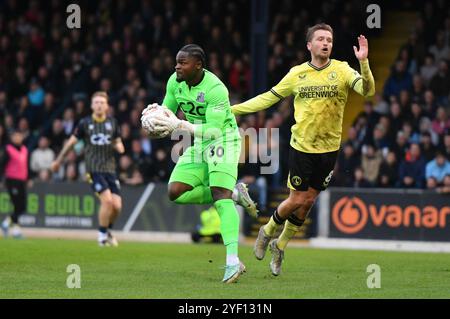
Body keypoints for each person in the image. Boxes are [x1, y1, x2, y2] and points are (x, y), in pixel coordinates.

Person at [232, 23, 375, 276]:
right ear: (309, 45)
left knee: (308, 202)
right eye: (320, 39)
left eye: (329, 39)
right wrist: (233, 110)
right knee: (297, 198)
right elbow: (269, 97)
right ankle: (266, 232)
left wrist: (363, 62)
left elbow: (368, 90)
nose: (326, 43)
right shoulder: (297, 73)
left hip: (329, 149)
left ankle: (280, 246)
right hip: (302, 147)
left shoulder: (342, 69)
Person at [141, 44, 258, 283]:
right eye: (177, 61)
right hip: (199, 143)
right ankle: (236, 194)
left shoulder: (215, 88)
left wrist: (180, 126)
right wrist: (156, 119)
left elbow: (214, 130)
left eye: (182, 63)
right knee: (175, 192)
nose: (177, 66)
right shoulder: (175, 82)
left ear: (198, 65)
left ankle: (233, 261)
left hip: (223, 139)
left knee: (219, 195)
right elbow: (168, 112)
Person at [51, 91, 125, 246]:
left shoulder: (113, 123)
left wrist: (118, 146)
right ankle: (102, 237)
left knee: (117, 206)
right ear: (91, 105)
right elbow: (71, 143)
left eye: (102, 103)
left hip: (110, 170)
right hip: (94, 169)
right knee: (107, 202)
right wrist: (58, 160)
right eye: (96, 102)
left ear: (107, 106)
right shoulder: (84, 123)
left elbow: (120, 145)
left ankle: (108, 230)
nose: (99, 105)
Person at [0, 131, 29, 238]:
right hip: (12, 180)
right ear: (12, 137)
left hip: (22, 181)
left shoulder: (25, 150)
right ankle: (16, 231)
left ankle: (6, 223)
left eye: (19, 135)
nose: (18, 138)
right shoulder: (8, 149)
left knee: (23, 206)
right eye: (15, 136)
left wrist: (28, 178)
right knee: (17, 205)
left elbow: (26, 165)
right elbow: (2, 165)